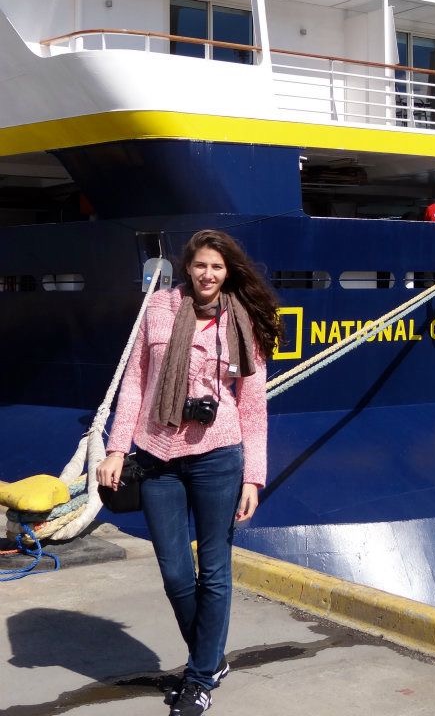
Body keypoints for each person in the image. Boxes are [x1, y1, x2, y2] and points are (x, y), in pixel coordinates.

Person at [97, 230, 281, 716]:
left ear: (229, 271)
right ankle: (211, 655)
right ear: (188, 267)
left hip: (219, 457)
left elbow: (253, 407)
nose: (208, 274)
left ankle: (200, 677)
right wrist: (117, 448)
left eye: (217, 267)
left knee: (215, 569)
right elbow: (135, 383)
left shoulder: (244, 321)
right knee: (176, 571)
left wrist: (253, 478)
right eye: (201, 265)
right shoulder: (160, 308)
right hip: (156, 453)